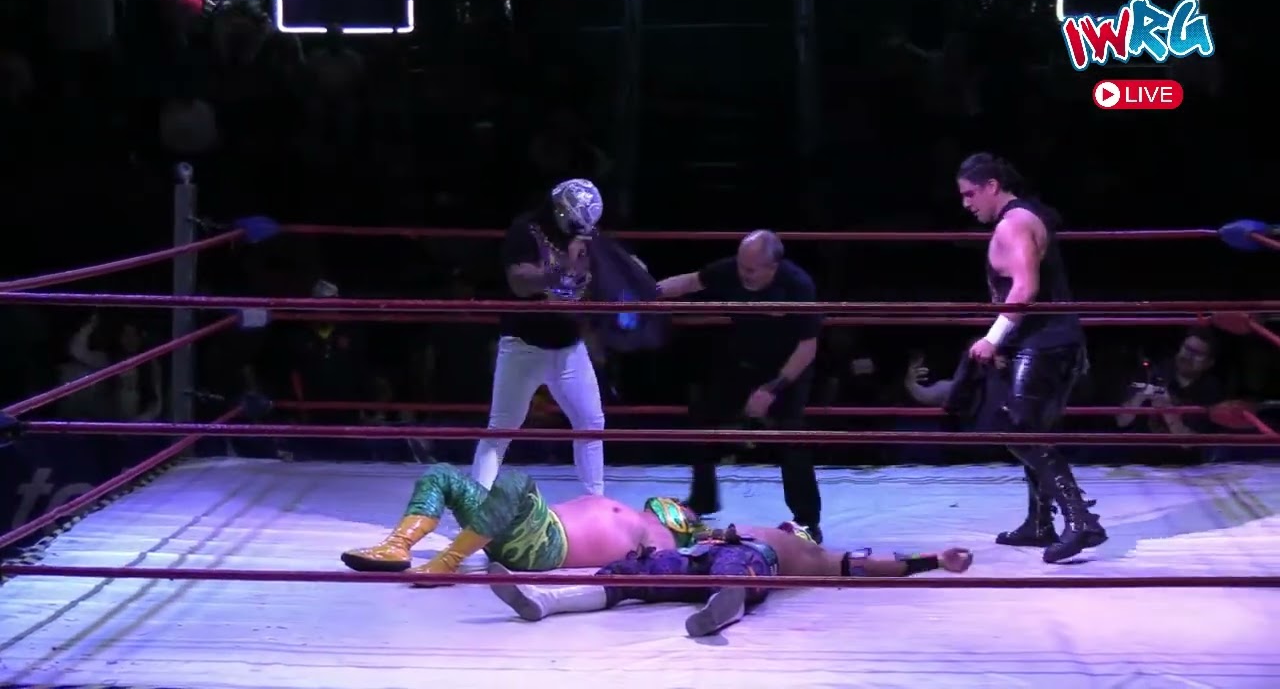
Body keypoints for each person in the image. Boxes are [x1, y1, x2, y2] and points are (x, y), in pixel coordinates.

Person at [956, 152, 1105, 563]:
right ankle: (1040, 523)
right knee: (1033, 430)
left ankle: (1080, 519)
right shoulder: (1024, 217)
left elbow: (1024, 288)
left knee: (1017, 428)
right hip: (1047, 341)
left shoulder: (1015, 223)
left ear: (992, 186)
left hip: (1045, 343)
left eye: (970, 194)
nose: (966, 204)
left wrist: (993, 339)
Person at [489, 522, 974, 637]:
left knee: (734, 573)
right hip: (698, 555)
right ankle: (544, 601)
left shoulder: (819, 555)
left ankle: (723, 609)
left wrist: (934, 559)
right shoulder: (746, 528)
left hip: (751, 561)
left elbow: (878, 564)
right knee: (628, 572)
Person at [655, 230, 824, 542]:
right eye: (741, 265)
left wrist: (772, 389)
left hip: (787, 370)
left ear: (772, 267)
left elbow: (807, 347)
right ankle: (703, 499)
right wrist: (648, 292)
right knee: (702, 417)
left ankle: (807, 521)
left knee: (792, 437)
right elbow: (692, 281)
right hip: (743, 361)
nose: (743, 274)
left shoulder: (797, 285)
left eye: (751, 269)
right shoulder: (733, 268)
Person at [478, 179, 610, 496]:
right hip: (524, 346)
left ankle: (595, 501)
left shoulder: (585, 237)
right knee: (501, 428)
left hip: (569, 346)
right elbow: (520, 283)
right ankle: (476, 503)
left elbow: (598, 280)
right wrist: (563, 268)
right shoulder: (525, 230)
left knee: (591, 423)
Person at [340, 464, 705, 577]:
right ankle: (397, 546)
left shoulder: (662, 536)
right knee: (442, 474)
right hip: (519, 529)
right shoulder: (636, 513)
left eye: (684, 508)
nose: (676, 503)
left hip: (545, 546)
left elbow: (663, 567)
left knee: (516, 481)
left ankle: (448, 562)